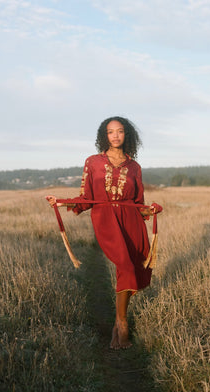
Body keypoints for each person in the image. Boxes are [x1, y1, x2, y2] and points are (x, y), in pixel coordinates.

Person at [46, 116, 161, 350]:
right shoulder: (93, 162)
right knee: (126, 267)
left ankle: (117, 327)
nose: (115, 135)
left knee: (134, 267)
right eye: (110, 132)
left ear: (126, 135)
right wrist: (61, 203)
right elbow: (86, 196)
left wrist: (152, 210)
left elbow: (138, 202)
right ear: (104, 136)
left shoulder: (134, 166)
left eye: (120, 131)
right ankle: (122, 323)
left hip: (131, 222)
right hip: (107, 220)